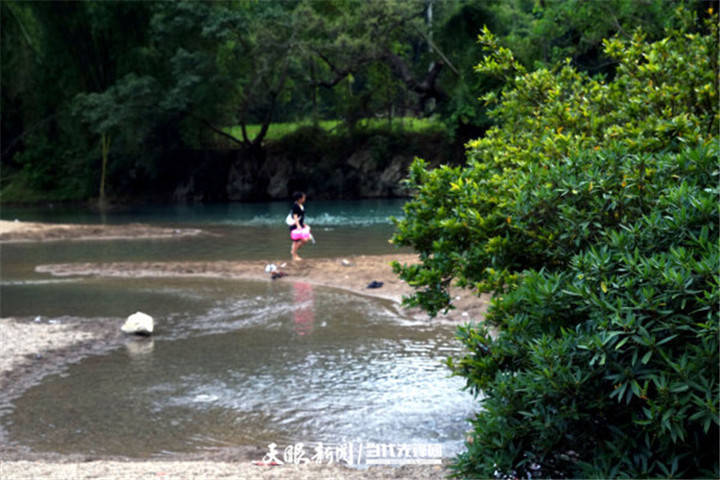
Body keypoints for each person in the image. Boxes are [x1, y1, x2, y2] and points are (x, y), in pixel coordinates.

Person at [289, 191, 311, 261]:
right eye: (303, 197)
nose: (305, 199)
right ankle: (294, 254)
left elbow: (300, 217)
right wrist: (298, 225)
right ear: (299, 199)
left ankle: (293, 253)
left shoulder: (300, 205)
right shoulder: (295, 206)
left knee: (305, 239)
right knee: (301, 240)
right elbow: (295, 216)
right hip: (295, 226)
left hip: (300, 225)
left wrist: (303, 224)